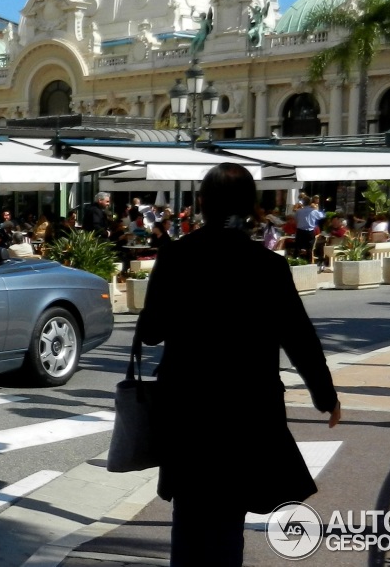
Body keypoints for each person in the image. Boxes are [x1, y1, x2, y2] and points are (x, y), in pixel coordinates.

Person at [135, 163, 341, 566]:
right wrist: (325, 395)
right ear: (251, 208)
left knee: (190, 513)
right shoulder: (268, 267)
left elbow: (151, 333)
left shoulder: (177, 257)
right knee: (230, 516)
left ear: (201, 204)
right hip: (247, 408)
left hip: (188, 406)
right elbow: (299, 338)